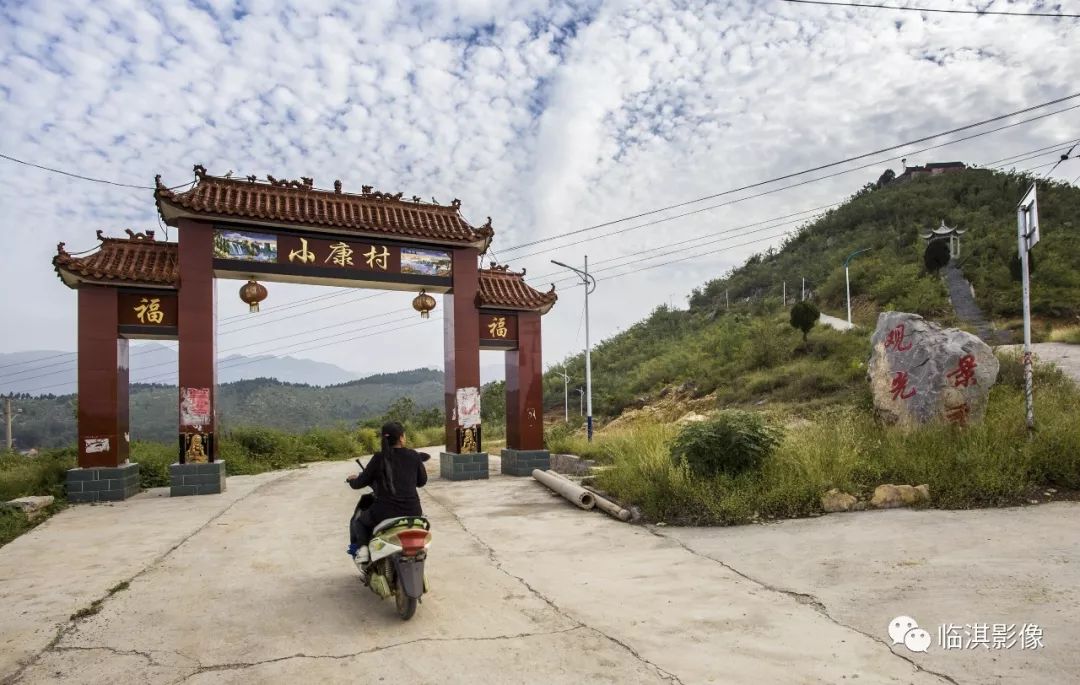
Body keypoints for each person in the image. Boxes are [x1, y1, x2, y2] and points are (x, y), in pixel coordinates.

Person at [347, 421, 428, 566]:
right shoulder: (413, 456)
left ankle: (364, 551)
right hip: (414, 511)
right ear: (402, 437)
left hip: (384, 513)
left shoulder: (379, 458)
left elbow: (360, 483)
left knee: (359, 521)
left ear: (383, 439)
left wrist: (352, 480)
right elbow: (421, 482)